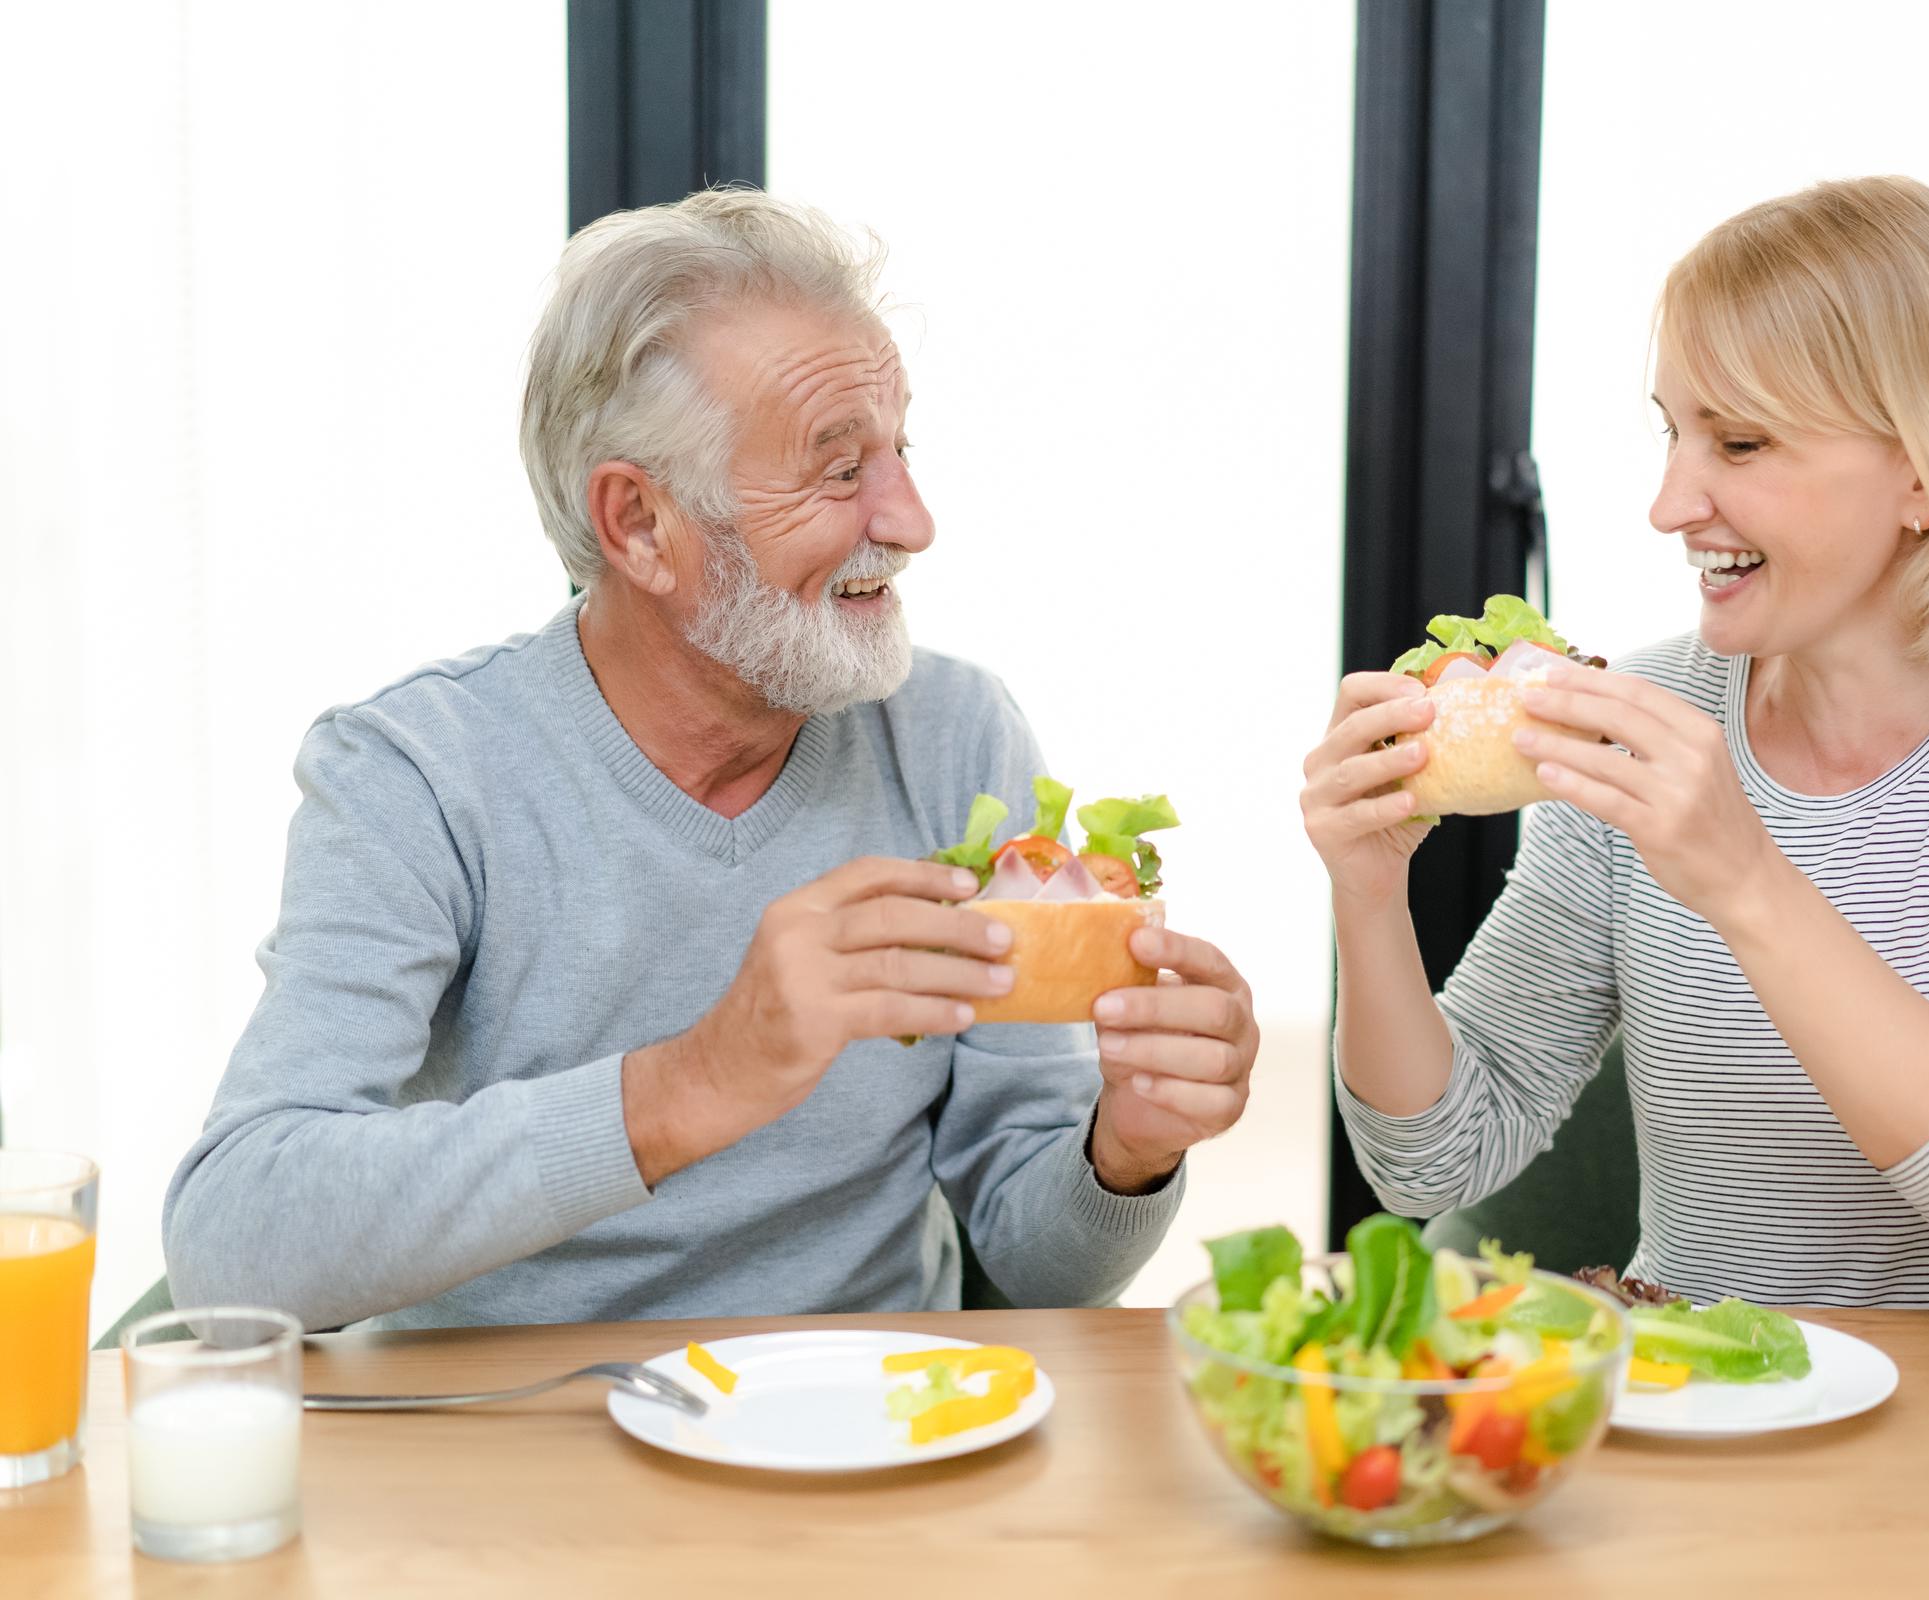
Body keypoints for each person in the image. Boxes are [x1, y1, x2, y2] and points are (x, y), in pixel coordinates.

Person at [164, 189, 1260, 1332]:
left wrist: (1123, 1150)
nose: (913, 517)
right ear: (639, 523)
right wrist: (693, 1082)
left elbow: (1037, 1273)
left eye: (899, 451)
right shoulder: (416, 775)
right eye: (839, 472)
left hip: (870, 1435)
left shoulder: (952, 735)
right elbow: (234, 1243)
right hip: (511, 1459)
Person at [1303, 176, 1929, 1307]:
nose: (1669, 503)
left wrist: (1746, 879)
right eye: (1673, 431)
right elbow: (1433, 1159)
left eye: (1738, 443)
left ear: (1925, 469)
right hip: (1693, 1413)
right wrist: (1368, 892)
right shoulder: (1642, 708)